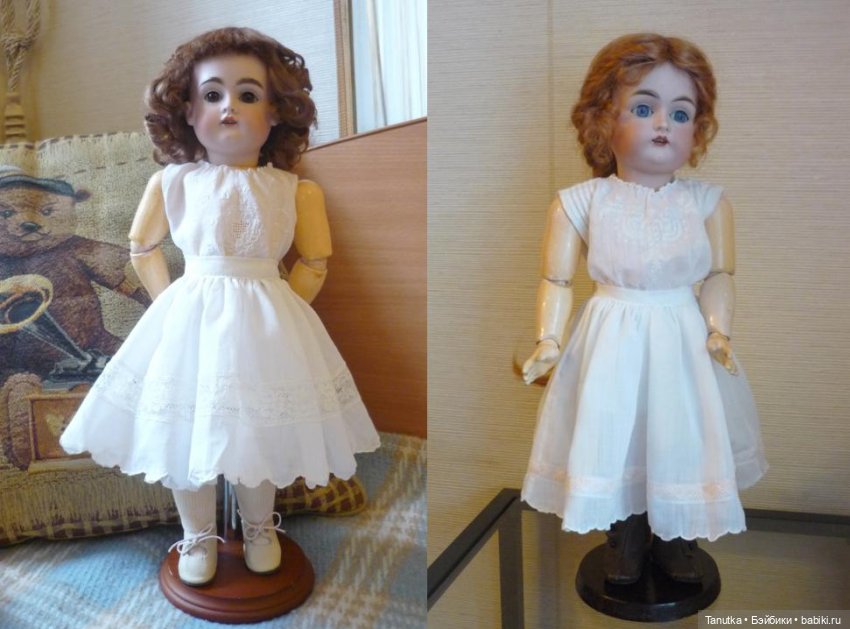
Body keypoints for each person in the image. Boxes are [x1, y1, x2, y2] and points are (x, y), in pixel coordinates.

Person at [60, 27, 380, 586]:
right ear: (187, 110)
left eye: (247, 94)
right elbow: (142, 248)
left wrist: (285, 312)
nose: (228, 106)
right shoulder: (173, 183)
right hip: (190, 316)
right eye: (212, 94)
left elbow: (315, 261)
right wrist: (170, 304)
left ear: (276, 112)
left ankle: (259, 527)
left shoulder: (295, 191)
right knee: (185, 432)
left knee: (256, 429)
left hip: (266, 322)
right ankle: (197, 534)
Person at [520, 33, 766, 584]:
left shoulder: (707, 203)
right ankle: (624, 537)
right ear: (602, 120)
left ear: (697, 129)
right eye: (643, 107)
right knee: (614, 433)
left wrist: (720, 330)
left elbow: (720, 275)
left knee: (682, 434)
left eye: (680, 113)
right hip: (610, 338)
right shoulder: (580, 202)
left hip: (684, 340)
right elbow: (555, 278)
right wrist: (548, 340)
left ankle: (679, 537)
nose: (663, 124)